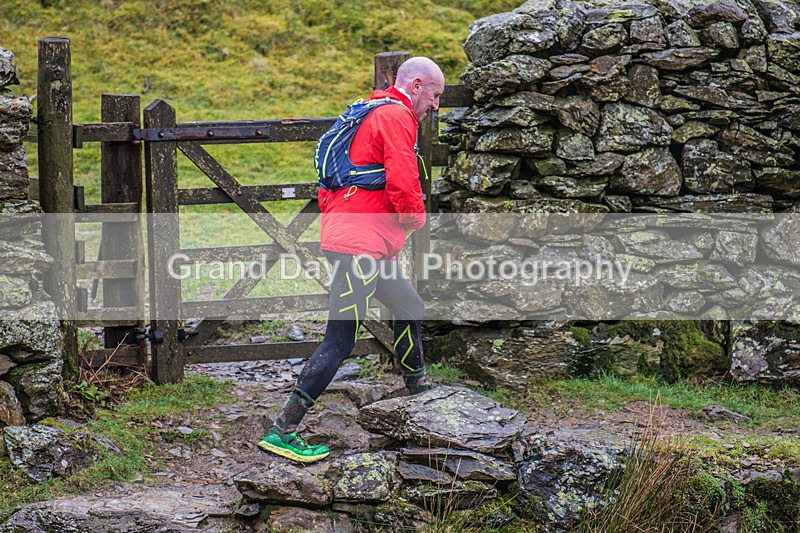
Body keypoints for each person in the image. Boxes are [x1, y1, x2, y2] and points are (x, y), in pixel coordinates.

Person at [258, 57, 445, 463]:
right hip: (360, 246)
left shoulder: (373, 112)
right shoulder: (395, 116)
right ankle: (283, 430)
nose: (435, 106)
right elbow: (402, 177)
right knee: (340, 338)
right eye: (435, 95)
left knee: (409, 304)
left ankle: (418, 391)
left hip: (362, 242)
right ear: (416, 85)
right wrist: (416, 219)